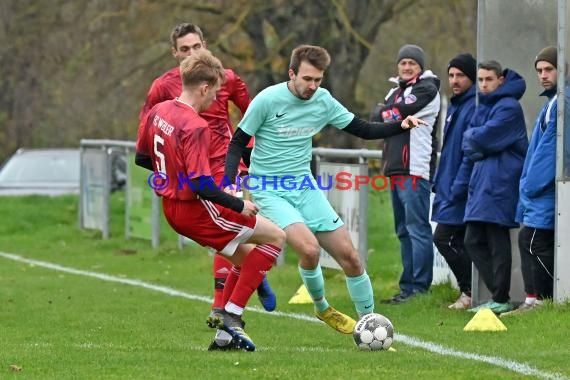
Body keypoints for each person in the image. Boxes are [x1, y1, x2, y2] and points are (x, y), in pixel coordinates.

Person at [224, 44, 425, 334]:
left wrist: (400, 126)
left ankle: (370, 324)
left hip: (304, 186)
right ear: (291, 73)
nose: (312, 86)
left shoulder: (323, 100)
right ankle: (322, 308)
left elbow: (364, 129)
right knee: (310, 249)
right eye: (307, 79)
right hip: (269, 188)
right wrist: (232, 184)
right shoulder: (268, 99)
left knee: (351, 257)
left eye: (318, 80)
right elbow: (237, 143)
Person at [135, 50, 286, 351]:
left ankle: (224, 334)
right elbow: (202, 185)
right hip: (195, 210)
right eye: (215, 93)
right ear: (204, 88)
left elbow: (142, 157)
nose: (215, 100)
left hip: (172, 208)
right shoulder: (196, 126)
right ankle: (232, 315)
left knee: (244, 259)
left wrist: (172, 177)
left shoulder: (160, 111)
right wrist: (239, 205)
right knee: (275, 237)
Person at [458, 60, 528, 315]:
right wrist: (476, 140)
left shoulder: (508, 107)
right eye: (480, 80)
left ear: (500, 80)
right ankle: (499, 295)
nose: (484, 84)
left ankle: (501, 297)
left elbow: (479, 137)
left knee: (497, 240)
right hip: (483, 182)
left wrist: (476, 140)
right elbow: (470, 140)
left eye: (489, 79)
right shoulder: (486, 105)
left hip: (500, 182)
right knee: (473, 239)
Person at [372, 44, 441, 304]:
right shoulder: (395, 90)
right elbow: (375, 116)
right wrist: (387, 113)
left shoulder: (427, 87)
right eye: (403, 63)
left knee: (417, 229)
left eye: (412, 63)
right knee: (403, 230)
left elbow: (395, 113)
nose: (407, 67)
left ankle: (419, 289)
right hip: (395, 168)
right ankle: (407, 288)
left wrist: (388, 112)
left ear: (420, 66)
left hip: (415, 168)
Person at [503, 46, 558, 316]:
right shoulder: (552, 103)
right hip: (538, 191)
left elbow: (550, 153)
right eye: (539, 70)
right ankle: (533, 299)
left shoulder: (562, 104)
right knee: (529, 240)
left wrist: (530, 185)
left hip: (545, 191)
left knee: (534, 241)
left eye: (549, 69)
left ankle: (545, 300)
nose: (543, 75)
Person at [431, 53, 477, 309]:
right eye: (451, 75)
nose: (455, 80)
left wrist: (458, 185)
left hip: (460, 189)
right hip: (449, 185)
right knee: (456, 240)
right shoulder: (456, 104)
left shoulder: (473, 106)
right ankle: (470, 292)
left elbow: (468, 153)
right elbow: (449, 150)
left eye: (461, 75)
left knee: (444, 238)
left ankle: (470, 291)